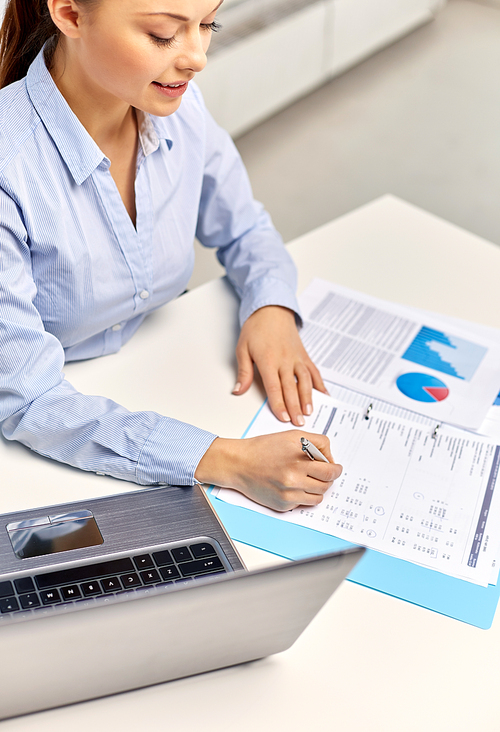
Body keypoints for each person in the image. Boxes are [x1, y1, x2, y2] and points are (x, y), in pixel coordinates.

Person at [0, 0, 342, 511]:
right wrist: (227, 461)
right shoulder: (12, 165)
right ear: (70, 14)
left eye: (207, 25)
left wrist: (270, 309)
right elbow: (29, 397)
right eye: (163, 35)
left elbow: (245, 226)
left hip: (162, 375)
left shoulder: (182, 111)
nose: (197, 56)